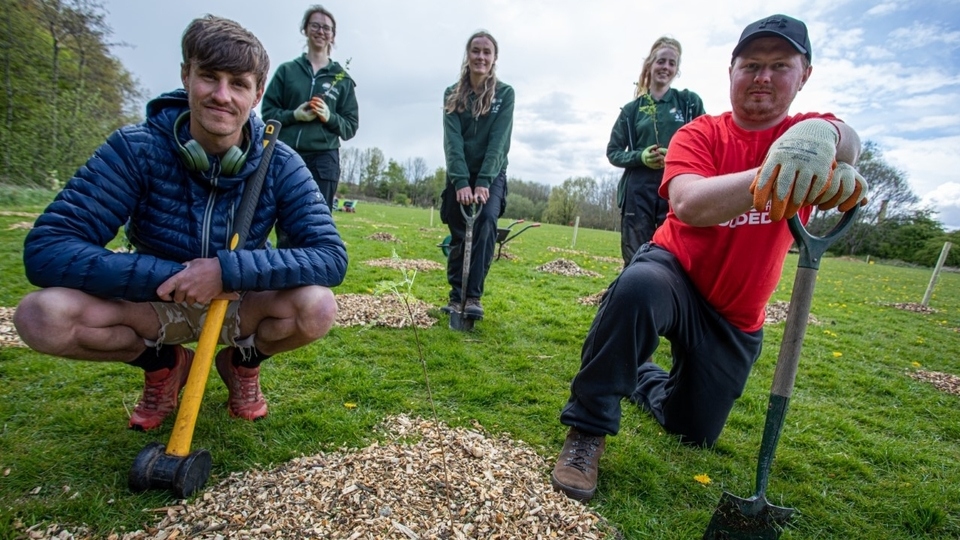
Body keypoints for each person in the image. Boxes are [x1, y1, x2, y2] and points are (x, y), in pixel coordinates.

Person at [550, 14, 868, 503]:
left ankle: (635, 373)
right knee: (635, 288)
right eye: (751, 64)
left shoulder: (808, 135)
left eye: (779, 65)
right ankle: (587, 432)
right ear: (731, 72)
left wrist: (831, 145)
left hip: (735, 316)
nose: (762, 76)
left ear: (803, 76)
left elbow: (846, 136)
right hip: (674, 272)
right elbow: (690, 204)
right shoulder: (700, 133)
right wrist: (775, 174)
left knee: (693, 431)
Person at [13, 15, 348, 432]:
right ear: (186, 75)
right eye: (209, 77)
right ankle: (164, 365)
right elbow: (48, 248)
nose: (222, 96)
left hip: (237, 302)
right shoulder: (135, 149)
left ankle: (241, 364)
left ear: (257, 93)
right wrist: (177, 278)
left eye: (239, 84)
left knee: (317, 307)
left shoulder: (280, 162)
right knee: (41, 316)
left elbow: (330, 257)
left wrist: (227, 271)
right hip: (155, 301)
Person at [607, 37, 705, 266]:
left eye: (672, 63)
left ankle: (669, 298)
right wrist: (640, 156)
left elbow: (706, 144)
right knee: (634, 255)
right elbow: (613, 152)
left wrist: (677, 154)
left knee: (672, 252)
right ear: (650, 65)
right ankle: (632, 296)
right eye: (662, 61)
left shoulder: (688, 103)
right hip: (637, 191)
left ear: (677, 70)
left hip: (675, 189)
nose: (666, 67)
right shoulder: (632, 111)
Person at [439, 31, 514, 320]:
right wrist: (460, 181)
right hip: (460, 171)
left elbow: (499, 141)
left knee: (484, 225)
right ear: (468, 55)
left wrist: (483, 182)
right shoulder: (452, 94)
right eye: (475, 51)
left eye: (487, 52)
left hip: (491, 173)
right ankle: (455, 294)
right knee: (459, 231)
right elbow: (452, 141)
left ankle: (473, 297)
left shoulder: (505, 94)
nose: (481, 57)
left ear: (494, 58)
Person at [262, 4, 358, 220]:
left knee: (317, 223)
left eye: (327, 28)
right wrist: (294, 115)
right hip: (286, 155)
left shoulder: (341, 79)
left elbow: (350, 127)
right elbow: (267, 113)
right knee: (285, 221)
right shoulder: (287, 72)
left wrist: (329, 116)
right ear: (305, 29)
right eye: (315, 25)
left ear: (333, 35)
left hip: (324, 161)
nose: (321, 31)